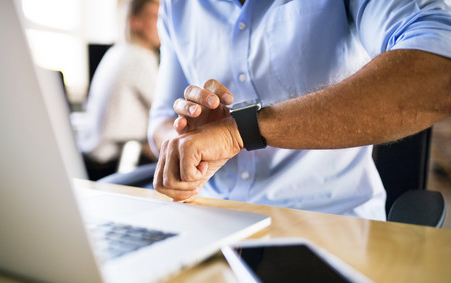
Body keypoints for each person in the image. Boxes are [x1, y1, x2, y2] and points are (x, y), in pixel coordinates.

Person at [149, 0, 451, 220]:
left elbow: (440, 72)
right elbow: (160, 123)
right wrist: (185, 141)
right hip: (209, 217)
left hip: (328, 222)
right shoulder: (176, 6)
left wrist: (240, 131)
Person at [73, 0, 160, 179]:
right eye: (155, 16)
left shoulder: (117, 51)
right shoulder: (140, 57)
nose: (163, 23)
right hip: (116, 160)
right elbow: (165, 108)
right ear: (135, 21)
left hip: (92, 155)